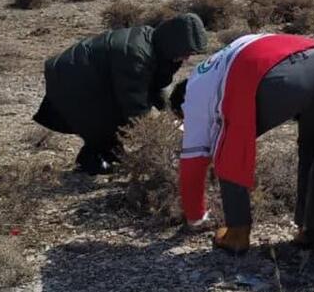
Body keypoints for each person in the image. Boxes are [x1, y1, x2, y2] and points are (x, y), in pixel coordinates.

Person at [170, 33, 314, 254]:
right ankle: (310, 229)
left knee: (228, 150)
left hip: (279, 79)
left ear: (182, 107)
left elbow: (193, 163)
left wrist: (195, 218)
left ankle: (237, 234)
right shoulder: (217, 65)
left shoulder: (195, 92)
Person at [33, 13, 206, 174]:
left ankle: (106, 153)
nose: (187, 59)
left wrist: (170, 114)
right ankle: (92, 159)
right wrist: (155, 137)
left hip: (88, 77)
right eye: (186, 52)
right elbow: (134, 103)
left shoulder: (159, 49)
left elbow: (156, 87)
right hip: (72, 79)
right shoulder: (135, 54)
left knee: (118, 116)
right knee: (109, 115)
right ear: (174, 43)